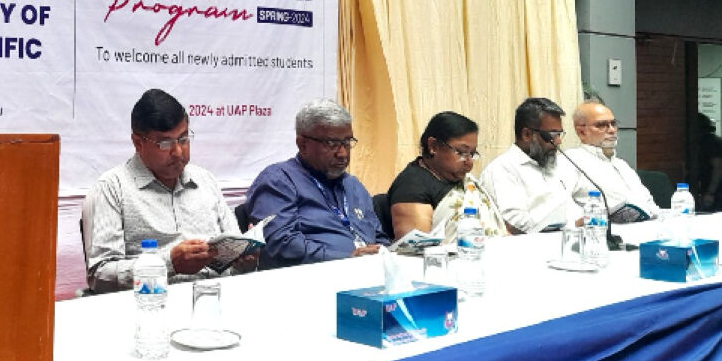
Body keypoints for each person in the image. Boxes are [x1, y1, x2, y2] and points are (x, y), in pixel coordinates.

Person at [83, 89, 255, 293]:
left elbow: (234, 258)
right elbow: (100, 275)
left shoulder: (205, 180)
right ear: (138, 143)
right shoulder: (113, 188)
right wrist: (169, 264)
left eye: (183, 139)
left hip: (216, 294)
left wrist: (245, 262)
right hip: (154, 300)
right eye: (165, 143)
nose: (178, 152)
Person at [244, 98, 389, 269]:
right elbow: (280, 245)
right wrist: (346, 259)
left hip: (372, 274)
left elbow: (379, 236)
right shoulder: (278, 181)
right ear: (303, 144)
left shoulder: (353, 185)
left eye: (347, 142)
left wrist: (387, 254)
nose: (343, 153)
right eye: (332, 143)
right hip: (315, 278)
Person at [385, 111, 508, 242]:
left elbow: (497, 229)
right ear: (433, 146)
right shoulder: (411, 186)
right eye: (461, 152)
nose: (469, 162)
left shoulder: (465, 181)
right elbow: (416, 248)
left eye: (472, 154)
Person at [480, 97, 584, 234]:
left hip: (574, 238)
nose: (558, 141)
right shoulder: (502, 169)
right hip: (538, 244)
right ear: (527, 134)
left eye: (559, 134)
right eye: (552, 135)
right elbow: (515, 224)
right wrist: (573, 224)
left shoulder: (552, 163)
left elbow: (571, 208)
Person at [565, 101, 660, 222]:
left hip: (649, 226)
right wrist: (590, 221)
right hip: (604, 230)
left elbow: (649, 204)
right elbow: (561, 204)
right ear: (581, 132)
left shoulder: (622, 165)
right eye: (601, 125)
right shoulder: (570, 161)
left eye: (613, 124)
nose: (611, 130)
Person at [695, 112, 722, 211]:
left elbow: (717, 168)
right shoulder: (717, 141)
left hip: (719, 190)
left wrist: (710, 193)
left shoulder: (709, 143)